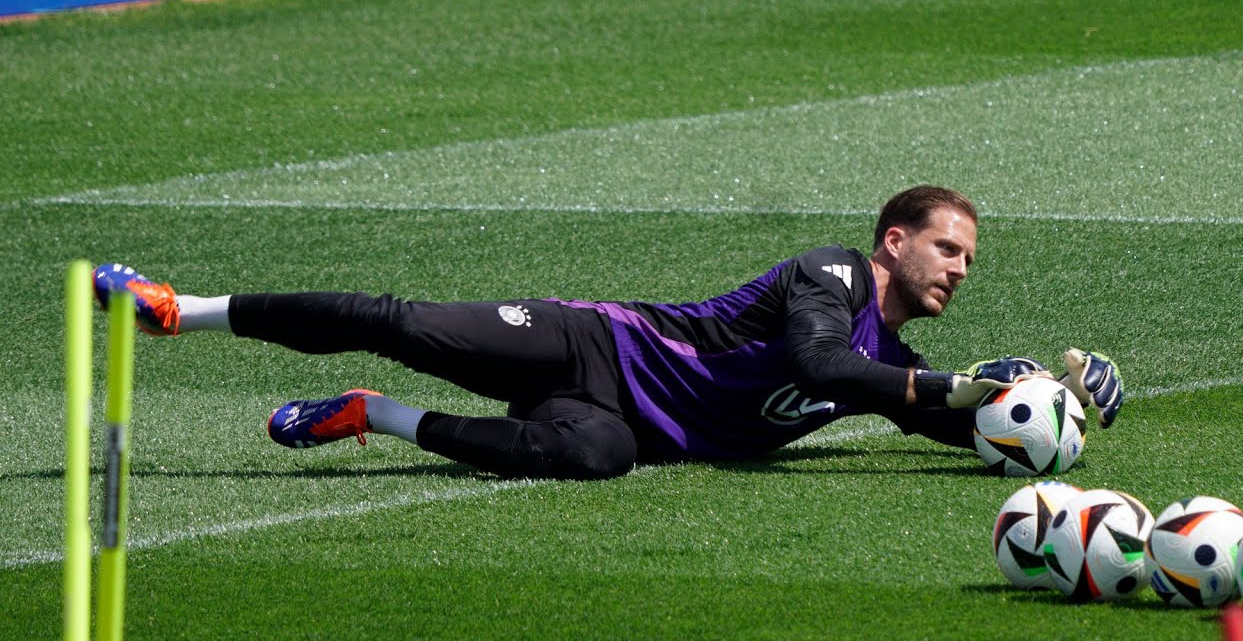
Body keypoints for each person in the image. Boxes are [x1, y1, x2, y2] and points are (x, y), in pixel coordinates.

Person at [92, 185, 1122, 480]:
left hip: (622, 422)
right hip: (591, 347)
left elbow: (962, 427)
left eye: (967, 264)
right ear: (893, 242)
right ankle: (182, 309)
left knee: (593, 459)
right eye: (947, 250)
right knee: (402, 322)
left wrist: (1063, 411)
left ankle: (375, 416)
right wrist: (952, 388)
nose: (957, 270)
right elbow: (821, 365)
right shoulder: (831, 277)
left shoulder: (890, 364)